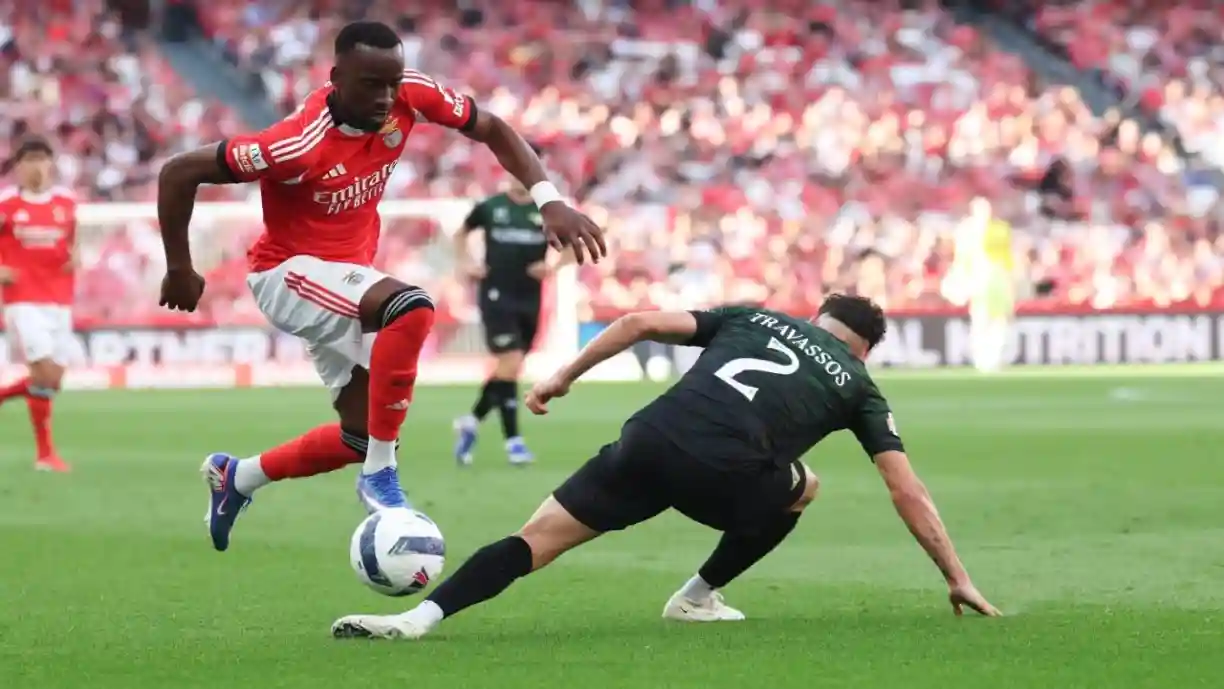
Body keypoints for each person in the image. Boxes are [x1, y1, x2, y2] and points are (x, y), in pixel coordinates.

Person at [155, 21, 605, 552]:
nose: (386, 97)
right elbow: (179, 172)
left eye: (392, 83)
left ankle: (238, 477)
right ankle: (380, 475)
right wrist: (180, 268)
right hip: (288, 273)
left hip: (344, 279)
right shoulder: (294, 145)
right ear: (337, 77)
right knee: (411, 307)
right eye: (371, 84)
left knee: (358, 434)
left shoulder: (408, 95)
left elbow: (493, 129)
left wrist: (549, 199)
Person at [331, 295, 1001, 640]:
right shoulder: (858, 384)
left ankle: (417, 619)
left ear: (815, 316)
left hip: (649, 440)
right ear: (864, 348)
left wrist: (562, 377)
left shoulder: (755, 317)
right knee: (806, 486)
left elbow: (637, 320)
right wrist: (957, 575)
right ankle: (696, 596)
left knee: (532, 540)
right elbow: (903, 485)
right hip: (726, 477)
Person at [452, 173, 574, 467]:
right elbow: (460, 234)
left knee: (513, 366)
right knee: (511, 360)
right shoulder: (491, 207)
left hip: (530, 297)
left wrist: (553, 267)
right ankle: (514, 442)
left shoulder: (547, 211)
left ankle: (471, 420)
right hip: (495, 294)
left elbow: (573, 244)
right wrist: (467, 262)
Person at [0, 138, 77, 473]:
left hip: (59, 300)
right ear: (18, 166)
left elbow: (74, 244)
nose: (36, 166)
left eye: (42, 159)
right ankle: (45, 454)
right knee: (43, 373)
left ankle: (45, 455)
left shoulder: (66, 204)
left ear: (51, 164)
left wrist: (76, 259)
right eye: (29, 159)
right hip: (22, 300)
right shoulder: (6, 205)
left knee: (52, 381)